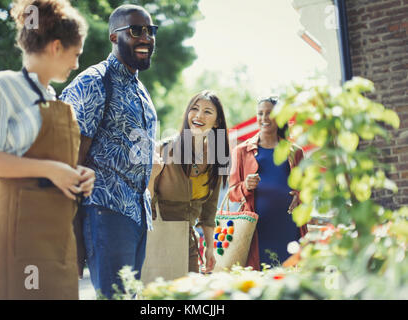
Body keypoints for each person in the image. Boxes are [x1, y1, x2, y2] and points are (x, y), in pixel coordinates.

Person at [0, 0, 93, 300]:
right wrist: (50, 170)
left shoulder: (57, 101)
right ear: (56, 47)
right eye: (75, 55)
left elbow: (57, 164)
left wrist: (78, 174)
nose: (76, 65)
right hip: (12, 229)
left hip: (56, 233)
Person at [60, 4, 159, 299]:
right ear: (114, 37)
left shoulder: (141, 91)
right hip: (105, 209)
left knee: (129, 297)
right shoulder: (95, 81)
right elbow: (72, 154)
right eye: (135, 30)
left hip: (138, 213)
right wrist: (72, 230)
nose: (146, 37)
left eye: (150, 31)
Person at [148, 90, 230, 273]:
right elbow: (145, 199)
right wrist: (153, 175)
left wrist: (210, 247)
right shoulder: (164, 150)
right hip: (156, 237)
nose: (199, 115)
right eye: (195, 108)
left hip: (187, 240)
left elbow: (209, 210)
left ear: (217, 122)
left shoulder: (217, 158)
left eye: (208, 111)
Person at [228, 97, 308, 270]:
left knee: (289, 277)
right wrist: (245, 186)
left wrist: (299, 196)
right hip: (256, 230)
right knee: (259, 277)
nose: (263, 118)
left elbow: (307, 190)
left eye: (269, 113)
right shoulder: (241, 151)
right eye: (260, 113)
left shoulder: (295, 152)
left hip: (288, 226)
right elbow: (232, 193)